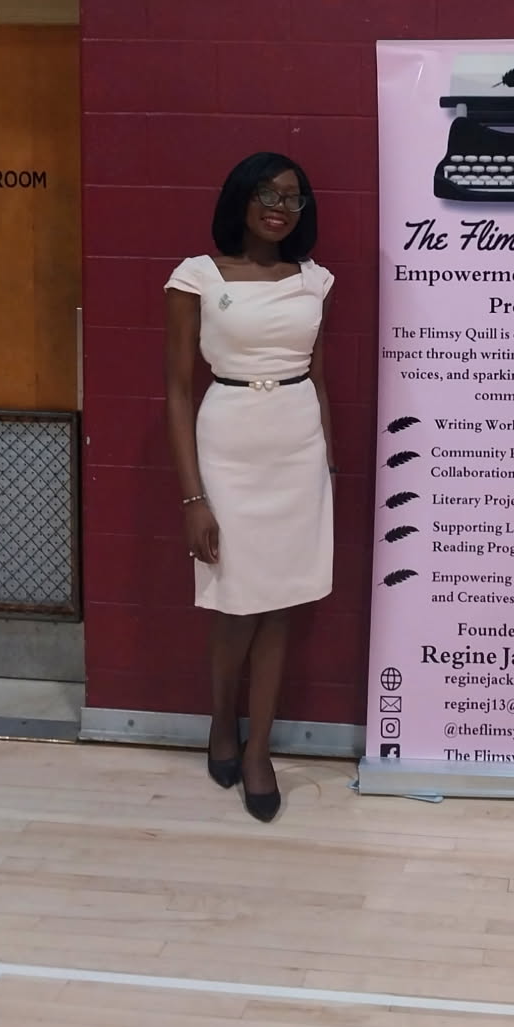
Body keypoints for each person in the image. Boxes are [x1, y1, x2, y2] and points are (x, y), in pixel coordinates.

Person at [164, 153, 335, 823]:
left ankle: (258, 748)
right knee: (236, 604)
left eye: (293, 197)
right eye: (267, 193)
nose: (279, 207)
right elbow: (178, 392)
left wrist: (327, 466)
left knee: (282, 605)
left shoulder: (314, 281)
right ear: (240, 198)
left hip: (297, 450)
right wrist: (192, 498)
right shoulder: (196, 277)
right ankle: (221, 722)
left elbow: (318, 377)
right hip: (228, 446)